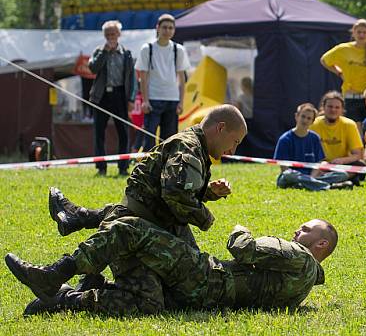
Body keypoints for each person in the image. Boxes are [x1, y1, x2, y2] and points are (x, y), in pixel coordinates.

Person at [42, 105, 247, 313]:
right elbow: (175, 194)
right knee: (151, 302)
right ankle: (65, 299)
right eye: (235, 142)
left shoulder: (195, 146)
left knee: (186, 284)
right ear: (221, 128)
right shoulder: (189, 148)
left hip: (143, 228)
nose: (233, 151)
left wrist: (209, 192)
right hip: (130, 237)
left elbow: (169, 190)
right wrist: (206, 218)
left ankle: (79, 222)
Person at [6, 218, 336, 315]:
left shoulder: (298, 255)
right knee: (146, 298)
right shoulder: (303, 290)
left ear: (321, 245)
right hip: (209, 295)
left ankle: (56, 277)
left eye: (306, 230)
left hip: (206, 279)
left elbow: (242, 248)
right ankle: (74, 295)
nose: (297, 232)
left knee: (130, 229)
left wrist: (241, 228)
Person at [88, 20, 136, 176]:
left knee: (123, 132)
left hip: (120, 96)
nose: (111, 37)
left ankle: (123, 167)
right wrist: (104, 52)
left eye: (113, 34)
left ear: (119, 34)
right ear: (104, 36)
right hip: (101, 96)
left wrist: (131, 99)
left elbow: (132, 78)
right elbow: (93, 68)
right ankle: (101, 168)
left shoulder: (127, 54)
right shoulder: (98, 51)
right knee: (99, 133)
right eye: (108, 34)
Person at [136, 13, 191, 151]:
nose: (167, 31)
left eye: (171, 28)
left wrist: (181, 102)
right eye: (164, 27)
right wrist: (145, 100)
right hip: (153, 99)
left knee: (170, 140)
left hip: (172, 100)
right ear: (157, 28)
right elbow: (142, 76)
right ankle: (149, 170)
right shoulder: (147, 49)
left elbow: (182, 78)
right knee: (149, 139)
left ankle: (167, 169)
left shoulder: (179, 50)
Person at [274, 103, 350, 191]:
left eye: (309, 118)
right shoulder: (285, 139)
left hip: (311, 176)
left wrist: (311, 178)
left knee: (343, 174)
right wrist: (308, 179)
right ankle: (328, 187)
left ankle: (306, 185)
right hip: (291, 177)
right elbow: (284, 168)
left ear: (312, 122)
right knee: (289, 175)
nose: (305, 120)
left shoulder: (315, 138)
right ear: (296, 116)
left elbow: (318, 164)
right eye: (303, 116)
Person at [321, 19, 366, 131]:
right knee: (355, 128)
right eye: (359, 32)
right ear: (353, 33)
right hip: (351, 94)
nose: (361, 35)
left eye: (364, 32)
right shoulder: (344, 49)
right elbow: (324, 60)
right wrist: (338, 72)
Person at [310, 91, 365, 183]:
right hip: (320, 165)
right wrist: (323, 163)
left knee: (360, 166)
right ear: (323, 108)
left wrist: (342, 160)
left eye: (337, 107)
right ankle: (333, 180)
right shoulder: (314, 124)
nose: (333, 110)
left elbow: (358, 154)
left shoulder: (349, 124)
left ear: (342, 110)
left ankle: (321, 180)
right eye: (330, 107)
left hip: (342, 164)